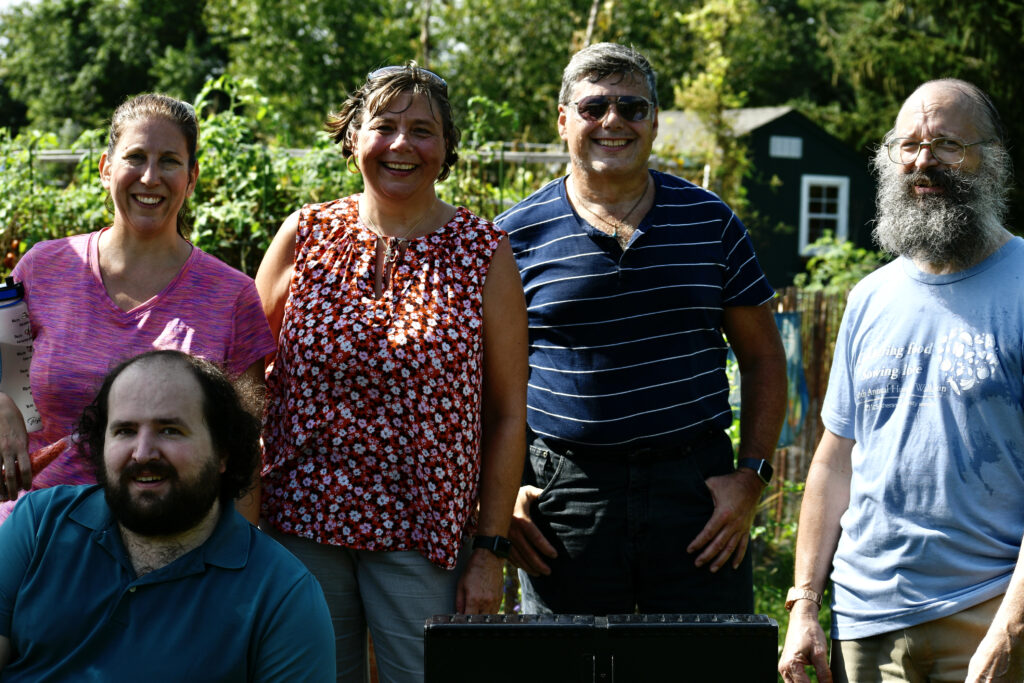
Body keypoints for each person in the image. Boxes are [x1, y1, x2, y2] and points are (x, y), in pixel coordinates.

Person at [255, 63, 527, 682]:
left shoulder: (482, 251)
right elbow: (243, 374)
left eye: (422, 130)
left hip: (424, 537)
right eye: (384, 126)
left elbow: (509, 413)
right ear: (354, 138)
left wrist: (489, 550)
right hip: (299, 525)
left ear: (446, 147)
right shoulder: (306, 235)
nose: (402, 144)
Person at [493, 42, 787, 616]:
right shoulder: (512, 237)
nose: (613, 121)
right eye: (594, 107)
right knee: (569, 660)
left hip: (697, 495)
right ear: (563, 121)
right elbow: (486, 383)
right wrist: (502, 494)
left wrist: (750, 477)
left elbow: (763, 358)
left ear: (654, 122)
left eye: (632, 107)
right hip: (566, 497)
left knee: (703, 655)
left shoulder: (711, 221)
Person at [778, 79, 1024, 683]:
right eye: (908, 145)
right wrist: (804, 604)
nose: (923, 161)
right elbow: (835, 461)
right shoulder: (870, 297)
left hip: (988, 611)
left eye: (946, 145)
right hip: (864, 622)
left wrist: (1010, 626)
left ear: (991, 159)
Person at [0, 93, 275, 524]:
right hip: (36, 528)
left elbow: (244, 458)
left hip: (168, 539)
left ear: (192, 177)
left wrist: (239, 550)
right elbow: (4, 366)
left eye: (169, 161)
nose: (150, 177)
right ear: (106, 168)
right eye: (135, 157)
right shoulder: (44, 267)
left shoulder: (232, 297)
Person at [0, 350, 335, 681]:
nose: (143, 453)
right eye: (125, 430)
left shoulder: (281, 594)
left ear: (223, 452)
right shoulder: (39, 523)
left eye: (170, 430)